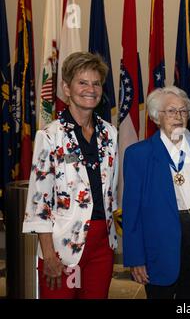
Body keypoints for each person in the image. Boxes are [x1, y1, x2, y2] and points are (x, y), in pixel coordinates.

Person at [22, 52, 119, 299]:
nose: (91, 89)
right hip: (62, 245)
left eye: (96, 83)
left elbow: (110, 191)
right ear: (67, 88)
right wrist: (49, 254)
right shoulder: (50, 136)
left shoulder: (110, 134)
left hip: (101, 245)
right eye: (82, 82)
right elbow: (39, 202)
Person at [122, 86, 190, 299]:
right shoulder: (138, 155)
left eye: (183, 111)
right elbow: (132, 211)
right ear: (156, 117)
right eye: (171, 111)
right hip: (158, 241)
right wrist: (135, 257)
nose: (178, 117)